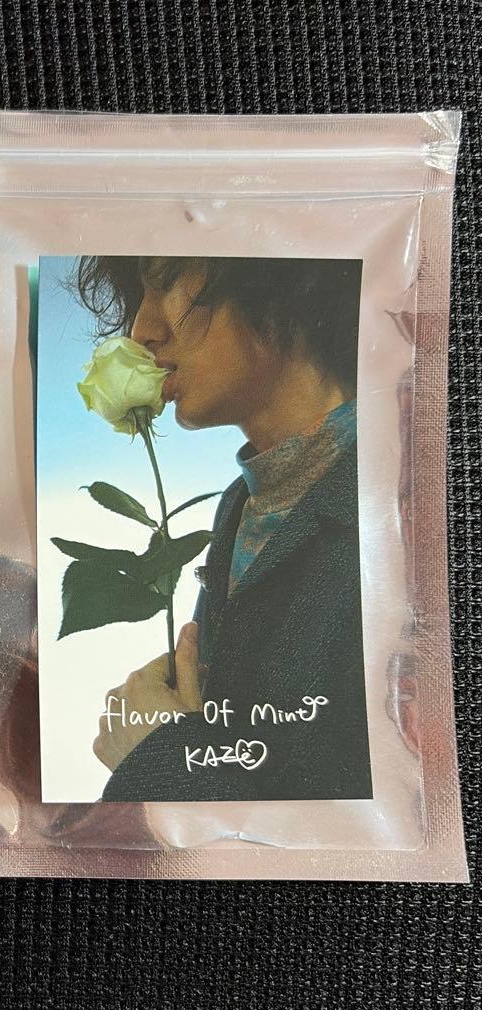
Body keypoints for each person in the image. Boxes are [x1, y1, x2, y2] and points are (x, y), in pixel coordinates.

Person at [77, 255, 372, 802]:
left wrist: (157, 754)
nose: (142, 330)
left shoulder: (402, 503)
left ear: (279, 273)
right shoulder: (241, 502)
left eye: (165, 282)